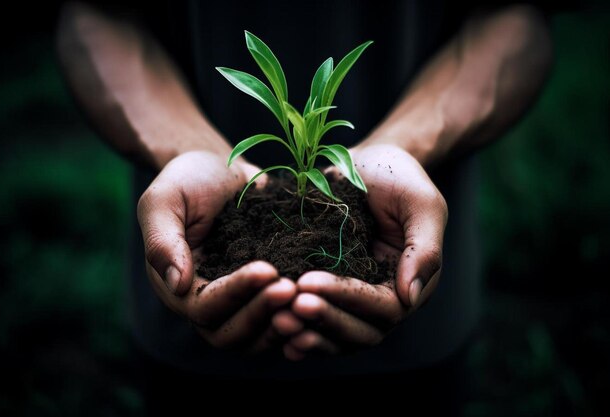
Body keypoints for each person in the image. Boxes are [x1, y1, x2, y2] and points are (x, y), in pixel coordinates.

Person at [56, 0, 551, 404]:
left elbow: (517, 17)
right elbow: (93, 13)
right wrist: (187, 150)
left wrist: (404, 149)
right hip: (190, 321)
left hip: (415, 315)